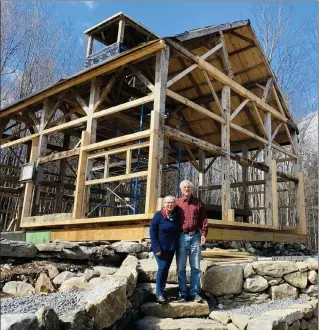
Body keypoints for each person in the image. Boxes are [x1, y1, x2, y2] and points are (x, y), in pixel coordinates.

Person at [175, 179, 208, 303]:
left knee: (195, 267)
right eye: (184, 187)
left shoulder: (199, 203)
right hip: (181, 237)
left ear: (192, 189)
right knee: (181, 267)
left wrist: (204, 233)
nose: (187, 189)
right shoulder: (177, 203)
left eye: (189, 187)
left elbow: (204, 220)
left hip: (195, 236)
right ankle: (182, 293)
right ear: (181, 190)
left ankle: (194, 293)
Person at [150, 195, 181, 304]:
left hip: (171, 248)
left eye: (172, 202)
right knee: (162, 268)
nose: (170, 204)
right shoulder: (158, 215)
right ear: (164, 204)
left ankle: (162, 291)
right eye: (168, 202)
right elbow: (152, 233)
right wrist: (156, 248)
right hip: (160, 248)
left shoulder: (176, 215)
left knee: (166, 269)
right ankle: (158, 294)